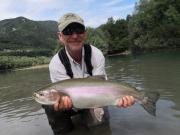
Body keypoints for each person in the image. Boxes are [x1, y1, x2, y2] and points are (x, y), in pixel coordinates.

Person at [42, 13, 135, 135]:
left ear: (85, 33)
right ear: (60, 36)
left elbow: (102, 86)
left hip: (93, 99)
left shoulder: (96, 54)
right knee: (49, 105)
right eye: (68, 31)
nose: (74, 36)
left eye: (79, 30)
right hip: (68, 105)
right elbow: (64, 98)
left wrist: (120, 98)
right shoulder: (56, 63)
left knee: (100, 126)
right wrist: (63, 103)